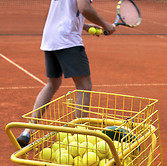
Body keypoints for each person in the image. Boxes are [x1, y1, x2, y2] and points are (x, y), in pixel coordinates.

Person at [17, 0, 115, 147]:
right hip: (67, 40)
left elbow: (65, 13)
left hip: (51, 38)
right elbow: (84, 8)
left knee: (52, 84)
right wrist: (106, 25)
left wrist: (86, 26)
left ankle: (27, 130)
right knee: (84, 85)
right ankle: (79, 137)